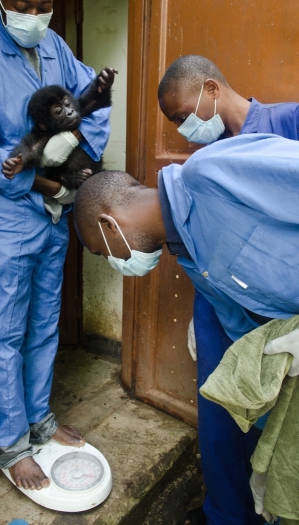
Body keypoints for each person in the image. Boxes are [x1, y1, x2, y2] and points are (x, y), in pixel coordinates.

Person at [0, 0, 111, 492]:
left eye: (45, 4)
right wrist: (38, 179)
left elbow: (95, 102)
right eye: (24, 3)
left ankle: (39, 419)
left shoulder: (55, 45)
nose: (35, 15)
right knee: (4, 332)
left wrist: (72, 165)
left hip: (54, 216)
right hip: (8, 216)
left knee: (45, 321)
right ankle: (11, 442)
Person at [73, 133, 299, 525]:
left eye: (102, 252)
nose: (114, 262)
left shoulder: (211, 172)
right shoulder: (187, 252)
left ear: (110, 224)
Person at [157, 55, 299, 525]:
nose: (181, 128)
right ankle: (224, 513)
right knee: (219, 414)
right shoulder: (204, 158)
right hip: (219, 307)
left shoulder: (287, 121)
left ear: (211, 90)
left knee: (271, 411)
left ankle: (267, 511)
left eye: (181, 116)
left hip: (276, 312)